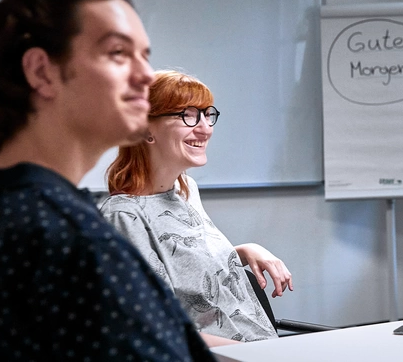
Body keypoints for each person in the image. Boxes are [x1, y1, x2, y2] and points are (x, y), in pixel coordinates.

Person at [0, 0, 215, 360]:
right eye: (118, 52)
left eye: (144, 56)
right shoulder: (68, 239)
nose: (145, 75)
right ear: (42, 71)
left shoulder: (31, 212)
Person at [99, 70, 293, 347]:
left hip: (264, 349)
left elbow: (183, 267)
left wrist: (241, 251)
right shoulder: (124, 215)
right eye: (188, 115)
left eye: (206, 114)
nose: (205, 128)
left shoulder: (185, 190)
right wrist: (261, 355)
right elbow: (153, 328)